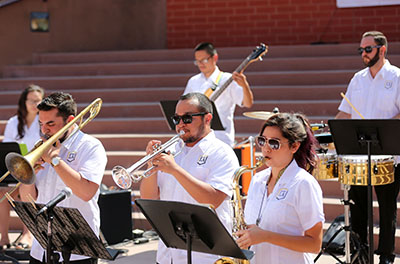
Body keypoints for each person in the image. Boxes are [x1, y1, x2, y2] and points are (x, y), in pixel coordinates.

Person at [140, 92, 240, 264]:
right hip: (168, 255)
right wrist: (151, 165)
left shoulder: (222, 153)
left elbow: (213, 199)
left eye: (187, 119)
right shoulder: (171, 150)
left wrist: (175, 170)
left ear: (207, 118)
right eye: (176, 119)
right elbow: (148, 197)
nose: (180, 125)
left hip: (206, 256)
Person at [19, 92, 107, 264]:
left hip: (77, 252)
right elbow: (28, 199)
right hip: (40, 247)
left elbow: (87, 192)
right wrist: (28, 176)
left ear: (70, 120)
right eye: (41, 124)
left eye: (51, 124)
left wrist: (55, 161)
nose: (44, 130)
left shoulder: (91, 146)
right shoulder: (41, 147)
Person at [335, 31, 400, 264]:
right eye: (360, 50)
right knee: (358, 207)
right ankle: (361, 254)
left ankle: (385, 255)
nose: (363, 54)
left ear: (382, 50)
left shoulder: (397, 77)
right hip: (358, 156)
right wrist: (329, 131)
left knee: (387, 208)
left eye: (368, 49)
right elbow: (345, 112)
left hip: (388, 156)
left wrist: (384, 129)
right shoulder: (357, 79)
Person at [236, 112, 325, 263]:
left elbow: (315, 244)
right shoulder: (257, 180)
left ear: (294, 146)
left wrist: (266, 236)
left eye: (274, 143)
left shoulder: (303, 183)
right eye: (262, 141)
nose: (266, 149)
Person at [183, 42, 254, 147]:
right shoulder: (193, 81)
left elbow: (248, 103)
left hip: (221, 137)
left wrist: (244, 85)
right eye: (197, 61)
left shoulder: (227, 79)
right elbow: (184, 106)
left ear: (214, 58)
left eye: (204, 60)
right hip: (197, 137)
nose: (201, 64)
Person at [0, 84, 44, 250]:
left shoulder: (43, 121)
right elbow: (7, 148)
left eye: (38, 101)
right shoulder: (13, 122)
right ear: (23, 102)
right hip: (16, 169)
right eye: (32, 100)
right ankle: (3, 237)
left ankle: (28, 234)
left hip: (38, 170)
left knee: (27, 189)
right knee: (2, 194)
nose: (35, 104)